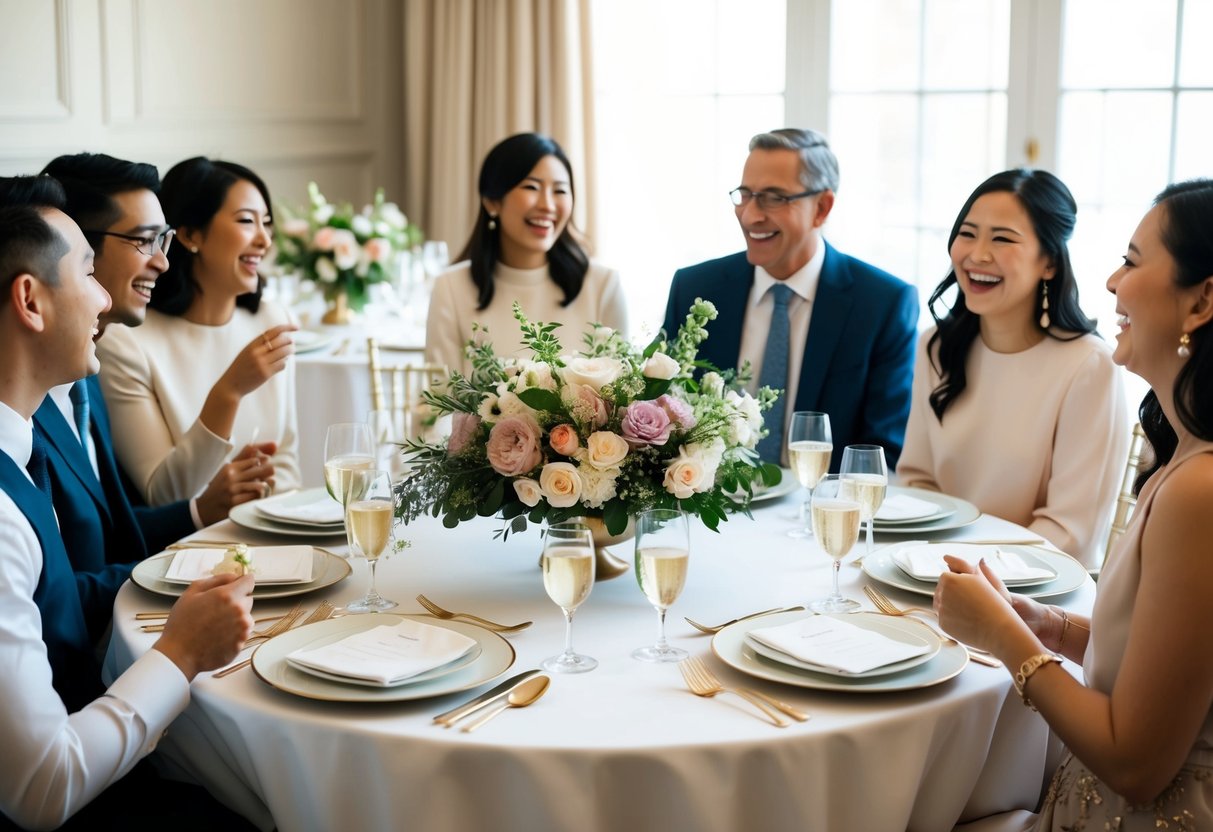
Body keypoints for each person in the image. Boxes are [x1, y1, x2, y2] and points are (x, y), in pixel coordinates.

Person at [935, 179, 1213, 830]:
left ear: (1201, 301)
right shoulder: (1184, 455)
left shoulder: (1199, 491)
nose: (1112, 282)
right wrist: (1054, 627)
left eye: (1133, 260)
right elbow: (1173, 663)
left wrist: (1001, 637)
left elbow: (1134, 763)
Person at [0, 176, 254, 830]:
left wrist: (191, 580)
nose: (105, 297)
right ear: (30, 300)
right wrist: (180, 654)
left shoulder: (19, 451)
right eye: (88, 269)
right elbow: (41, 788)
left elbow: (58, 598)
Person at [32, 154, 274, 638]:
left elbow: (113, 533)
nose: (162, 261)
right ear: (75, 247)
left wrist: (198, 514)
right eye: (145, 240)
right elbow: (52, 596)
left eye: (162, 240)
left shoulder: (84, 377)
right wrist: (193, 576)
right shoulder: (25, 402)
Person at [896, 170, 1126, 566]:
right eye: (968, 234)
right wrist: (929, 565)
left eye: (1002, 238)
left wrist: (968, 571)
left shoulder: (1090, 366)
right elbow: (917, 480)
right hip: (934, 572)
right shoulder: (935, 345)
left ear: (1050, 263)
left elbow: (1069, 530)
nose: (977, 254)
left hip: (1040, 592)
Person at [661, 128, 918, 468]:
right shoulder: (696, 288)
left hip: (825, 512)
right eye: (745, 194)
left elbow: (879, 452)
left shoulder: (883, 304)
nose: (750, 215)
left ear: (822, 207)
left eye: (773, 198)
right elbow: (663, 416)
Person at [96, 157, 300, 506]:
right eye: (247, 221)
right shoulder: (127, 341)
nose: (265, 240)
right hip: (185, 550)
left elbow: (286, 461)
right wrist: (229, 391)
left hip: (271, 535)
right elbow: (161, 494)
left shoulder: (271, 320)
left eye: (267, 223)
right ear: (190, 234)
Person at [425, 133, 627, 374]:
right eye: (531, 187)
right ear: (492, 201)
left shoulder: (603, 287)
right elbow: (438, 402)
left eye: (560, 191)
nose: (548, 205)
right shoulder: (452, 289)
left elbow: (622, 399)